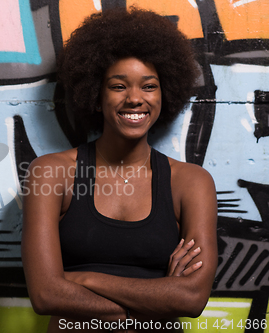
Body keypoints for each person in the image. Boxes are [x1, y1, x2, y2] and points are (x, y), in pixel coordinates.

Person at [21, 7, 217, 333]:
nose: (135, 99)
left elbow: (192, 298)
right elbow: (45, 295)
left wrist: (83, 279)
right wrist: (155, 301)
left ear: (165, 93)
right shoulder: (51, 174)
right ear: (96, 94)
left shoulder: (191, 182)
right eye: (118, 86)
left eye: (149, 86)